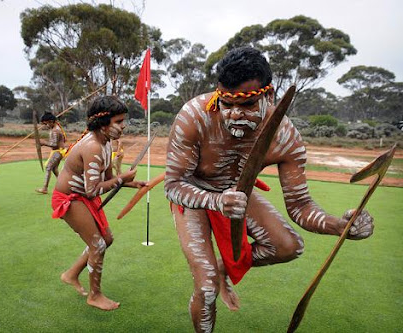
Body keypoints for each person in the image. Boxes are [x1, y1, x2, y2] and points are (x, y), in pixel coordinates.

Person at [164, 46, 374, 332]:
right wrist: (216, 201)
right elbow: (174, 184)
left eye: (248, 106)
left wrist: (339, 225)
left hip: (237, 192)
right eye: (226, 104)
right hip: (194, 195)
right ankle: (214, 276)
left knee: (289, 247)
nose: (234, 115)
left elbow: (300, 206)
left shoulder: (285, 136)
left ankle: (224, 267)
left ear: (269, 96)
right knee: (207, 287)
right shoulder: (194, 117)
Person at [51, 96, 146, 311]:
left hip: (83, 197)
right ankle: (94, 295)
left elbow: (108, 178)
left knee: (107, 239)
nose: (123, 126)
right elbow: (92, 189)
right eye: (119, 121)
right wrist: (123, 179)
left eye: (123, 121)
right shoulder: (93, 146)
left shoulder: (105, 143)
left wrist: (134, 183)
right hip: (70, 199)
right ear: (103, 123)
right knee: (99, 244)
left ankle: (71, 274)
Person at [35, 112, 67, 194]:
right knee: (54, 168)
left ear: (51, 121)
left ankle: (45, 188)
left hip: (58, 151)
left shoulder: (55, 131)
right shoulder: (54, 129)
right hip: (58, 151)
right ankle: (64, 185)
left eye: (46, 123)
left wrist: (43, 143)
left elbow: (54, 144)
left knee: (49, 167)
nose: (45, 126)